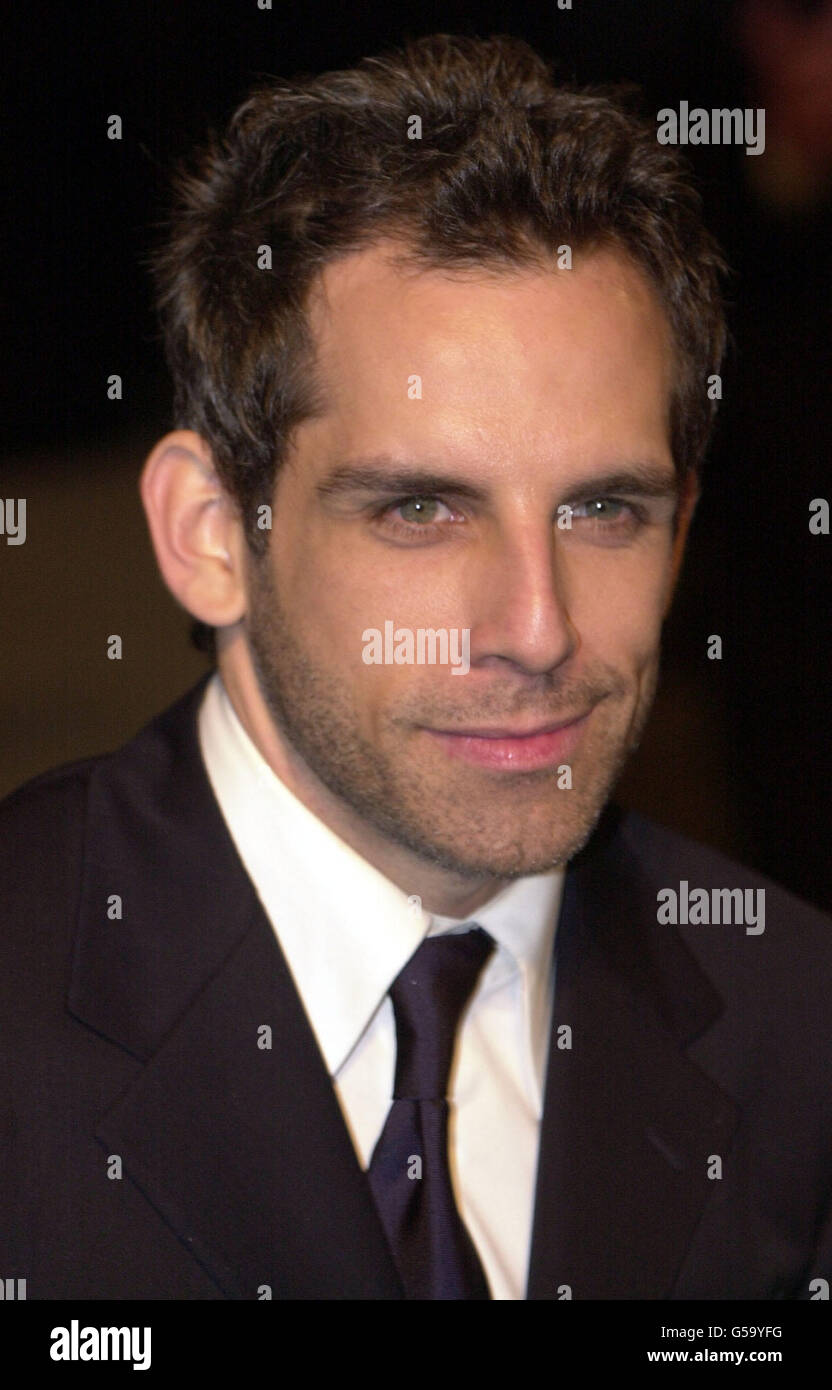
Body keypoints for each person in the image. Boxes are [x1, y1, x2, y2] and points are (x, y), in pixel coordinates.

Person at [1, 33, 830, 1301]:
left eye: (605, 509)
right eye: (420, 512)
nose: (537, 626)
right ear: (211, 534)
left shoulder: (797, 1027)